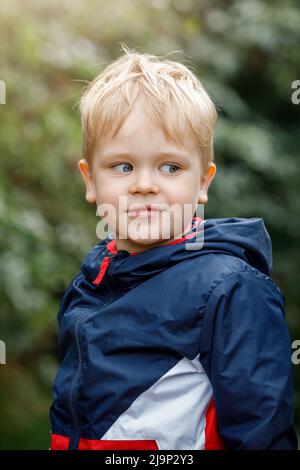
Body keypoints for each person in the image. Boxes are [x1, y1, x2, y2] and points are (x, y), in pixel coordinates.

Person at [49, 45, 298, 450]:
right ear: (90, 181)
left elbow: (262, 433)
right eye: (123, 166)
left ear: (203, 182)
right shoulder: (89, 282)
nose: (144, 184)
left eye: (171, 167)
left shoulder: (231, 290)